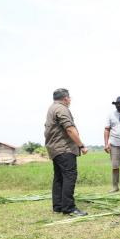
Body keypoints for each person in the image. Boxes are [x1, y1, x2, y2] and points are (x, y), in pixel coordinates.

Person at [45, 88, 88, 216]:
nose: (70, 100)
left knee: (59, 177)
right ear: (65, 98)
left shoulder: (52, 108)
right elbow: (69, 129)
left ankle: (58, 206)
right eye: (69, 98)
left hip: (54, 148)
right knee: (70, 176)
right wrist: (81, 145)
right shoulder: (62, 109)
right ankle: (69, 208)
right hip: (64, 148)